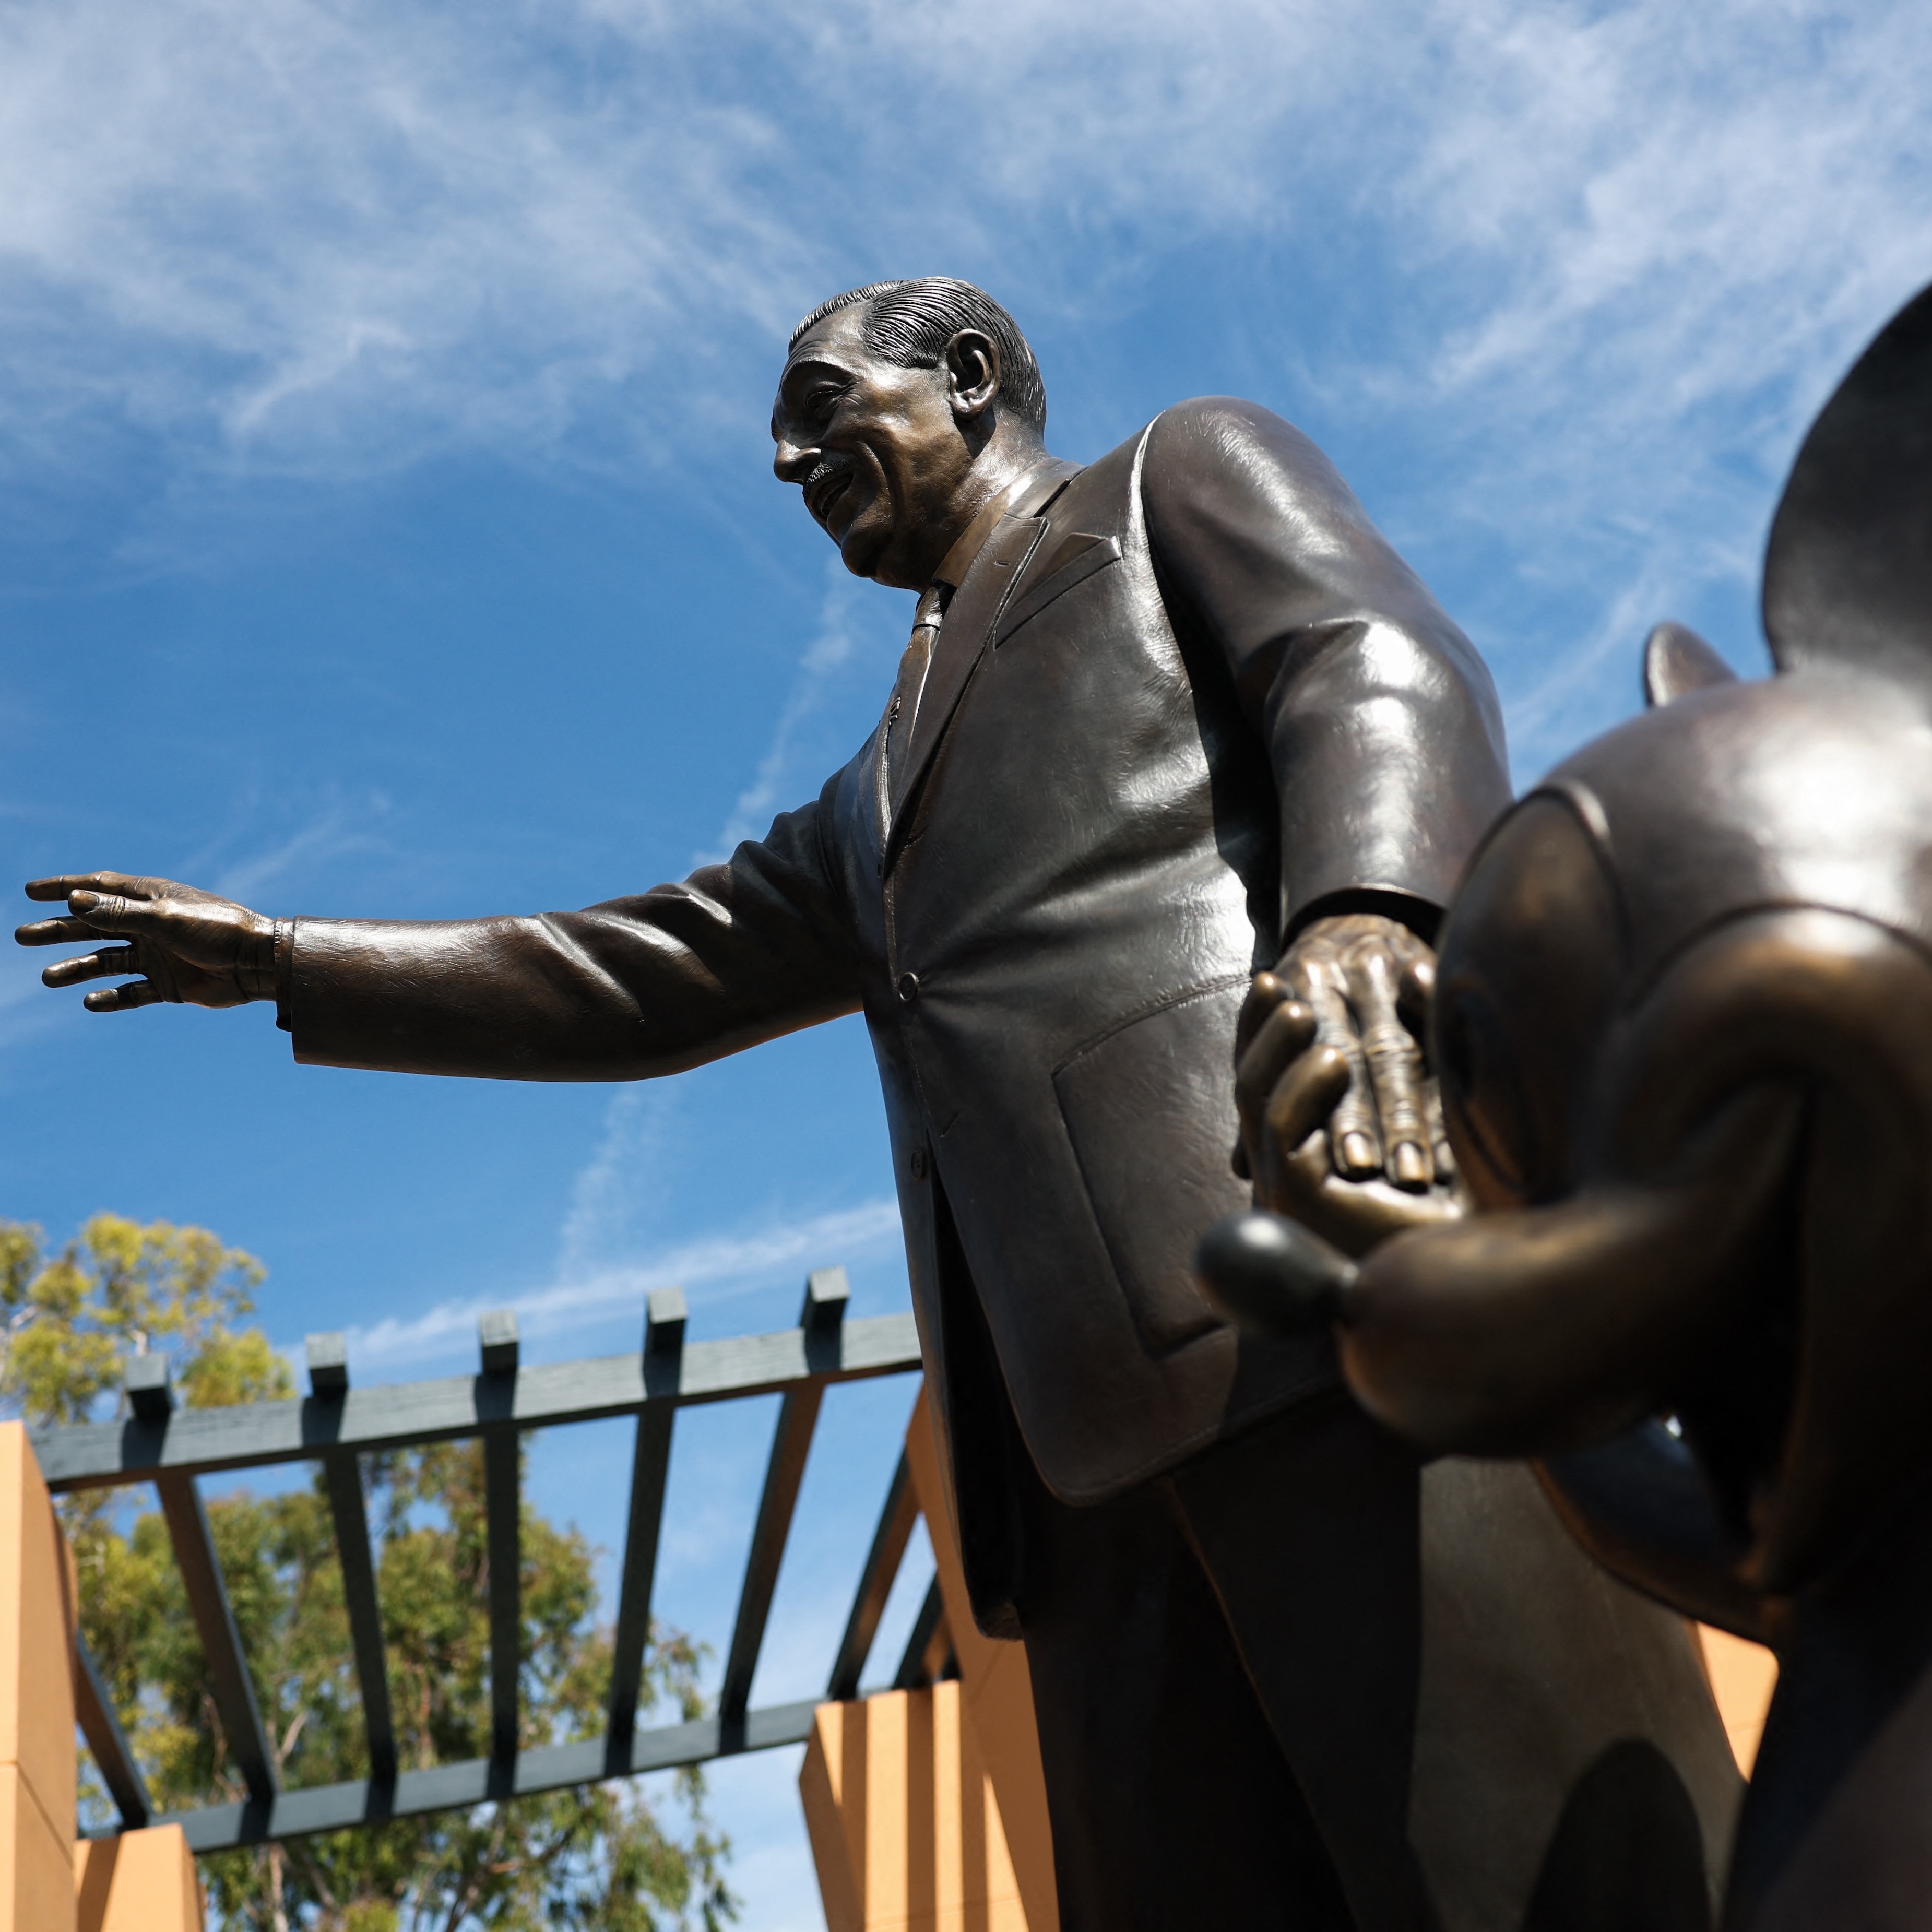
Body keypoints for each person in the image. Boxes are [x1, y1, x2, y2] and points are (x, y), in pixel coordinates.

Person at [19, 278, 1738, 1930]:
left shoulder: (1169, 482)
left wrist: (1373, 910)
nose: (783, 463)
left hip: (1320, 1296)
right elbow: (643, 969)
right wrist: (291, 959)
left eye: (820, 407)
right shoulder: (867, 803)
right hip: (1068, 1484)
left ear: (972, 377)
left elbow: (1367, 654)